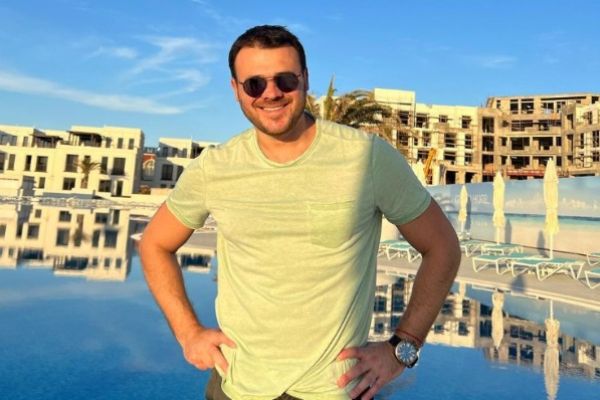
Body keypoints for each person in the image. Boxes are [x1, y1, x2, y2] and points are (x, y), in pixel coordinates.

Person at [139, 25, 460, 400]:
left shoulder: (365, 157)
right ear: (236, 89)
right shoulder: (215, 167)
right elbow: (154, 244)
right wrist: (188, 333)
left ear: (305, 79)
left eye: (285, 80)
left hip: (336, 390)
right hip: (237, 387)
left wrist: (402, 348)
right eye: (254, 84)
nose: (271, 93)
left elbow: (443, 248)